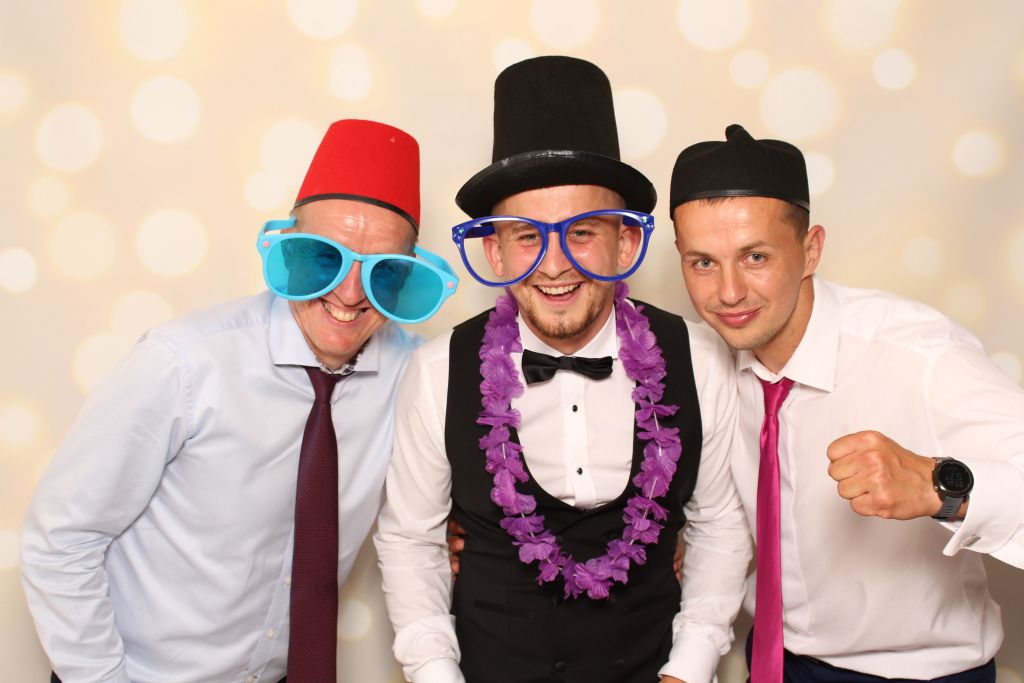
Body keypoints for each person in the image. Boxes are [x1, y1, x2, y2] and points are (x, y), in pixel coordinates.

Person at [20, 118, 459, 683]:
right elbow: (62, 539)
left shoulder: (415, 377)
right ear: (289, 250)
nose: (350, 294)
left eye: (384, 270)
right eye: (325, 257)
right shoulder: (183, 363)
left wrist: (464, 524)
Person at [374, 56, 750, 683]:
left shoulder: (700, 357)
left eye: (582, 232)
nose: (553, 266)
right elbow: (411, 541)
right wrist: (436, 673)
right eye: (527, 235)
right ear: (494, 251)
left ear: (625, 243)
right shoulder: (438, 371)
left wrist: (689, 668)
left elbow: (719, 525)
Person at [669, 123, 1024, 683]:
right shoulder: (706, 361)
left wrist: (940, 487)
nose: (729, 292)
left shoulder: (919, 353)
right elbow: (723, 519)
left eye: (755, 256)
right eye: (703, 263)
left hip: (918, 675)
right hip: (772, 661)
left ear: (810, 250)